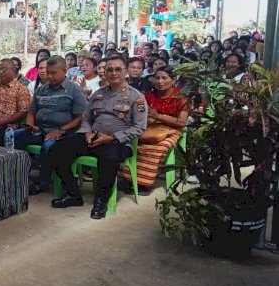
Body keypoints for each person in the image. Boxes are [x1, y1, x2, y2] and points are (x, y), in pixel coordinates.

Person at [45, 55, 148, 219]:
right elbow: (86, 118)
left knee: (109, 158)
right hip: (92, 138)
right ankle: (73, 194)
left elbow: (140, 127)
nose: (113, 73)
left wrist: (111, 137)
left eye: (118, 69)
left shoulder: (137, 97)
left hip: (117, 142)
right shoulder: (98, 94)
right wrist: (86, 132)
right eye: (109, 70)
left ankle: (101, 200)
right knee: (57, 149)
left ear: (126, 72)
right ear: (105, 72)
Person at [119, 66, 187, 195]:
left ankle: (144, 183)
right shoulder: (149, 95)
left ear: (173, 80)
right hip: (150, 128)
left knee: (158, 147)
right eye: (157, 78)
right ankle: (128, 178)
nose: (160, 81)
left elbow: (182, 122)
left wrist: (159, 117)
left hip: (173, 130)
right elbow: (139, 114)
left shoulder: (181, 97)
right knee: (133, 143)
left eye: (164, 78)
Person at [26, 56, 88, 195]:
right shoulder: (41, 90)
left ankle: (43, 183)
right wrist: (30, 126)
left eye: (53, 73)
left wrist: (60, 130)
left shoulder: (74, 90)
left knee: (48, 146)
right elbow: (31, 112)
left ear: (64, 71)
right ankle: (15, 177)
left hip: (64, 133)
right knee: (13, 138)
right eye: (48, 72)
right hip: (39, 130)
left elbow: (80, 117)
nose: (49, 76)